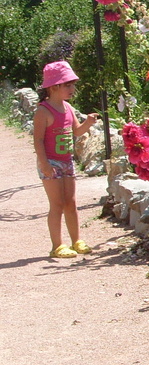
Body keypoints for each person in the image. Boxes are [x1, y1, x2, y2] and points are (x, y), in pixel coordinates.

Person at [33, 60, 98, 259]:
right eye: (68, 85)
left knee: (70, 202)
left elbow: (76, 131)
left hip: (67, 161)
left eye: (72, 84)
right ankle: (57, 245)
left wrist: (88, 122)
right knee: (57, 203)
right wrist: (44, 164)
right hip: (50, 163)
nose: (73, 89)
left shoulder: (67, 108)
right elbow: (38, 140)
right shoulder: (43, 111)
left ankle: (76, 240)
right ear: (54, 87)